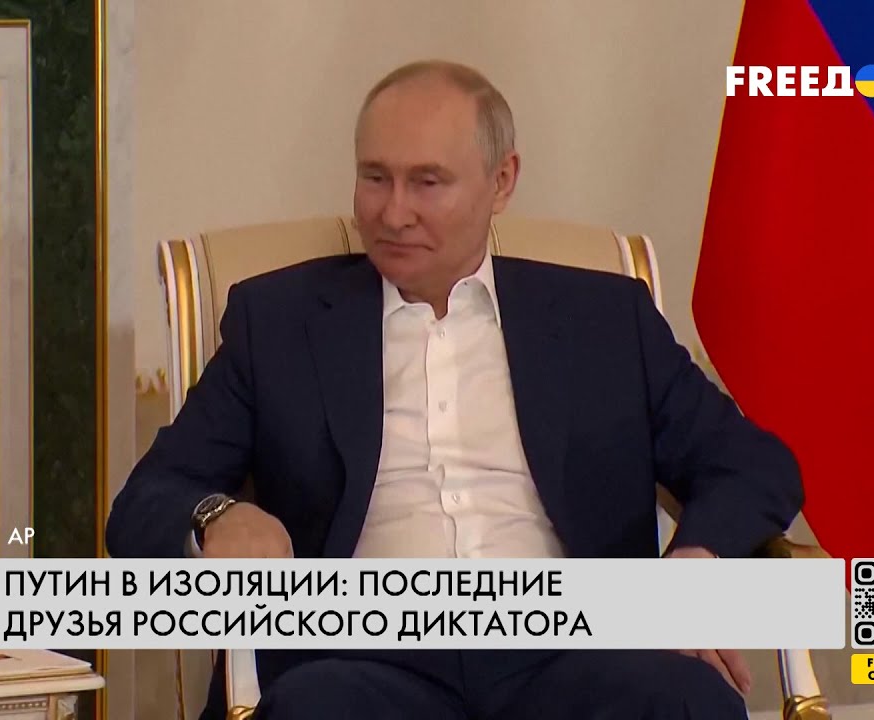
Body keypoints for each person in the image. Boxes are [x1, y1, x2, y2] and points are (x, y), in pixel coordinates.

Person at [107, 59, 803, 720]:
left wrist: (697, 561)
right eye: (375, 178)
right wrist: (216, 515)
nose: (393, 213)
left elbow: (752, 464)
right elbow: (148, 498)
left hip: (575, 652)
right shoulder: (280, 324)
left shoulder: (604, 320)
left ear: (502, 181)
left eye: (427, 182)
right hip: (361, 663)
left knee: (686, 701)